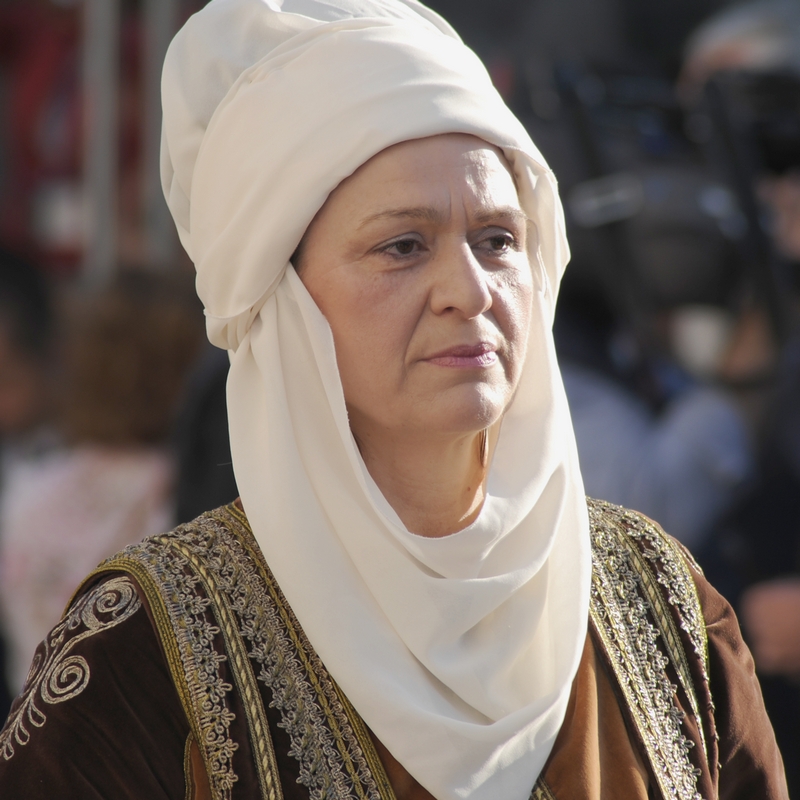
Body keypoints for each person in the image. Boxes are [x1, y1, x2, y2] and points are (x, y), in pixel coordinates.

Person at [0, 1, 788, 798]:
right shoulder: (142, 660)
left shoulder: (663, 606)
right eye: (403, 246)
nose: (469, 291)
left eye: (498, 240)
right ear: (285, 303)